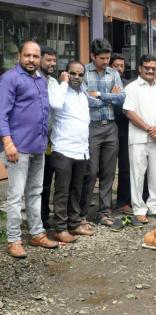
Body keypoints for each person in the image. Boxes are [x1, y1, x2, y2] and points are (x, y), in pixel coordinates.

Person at [0, 41, 58, 258]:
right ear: (20, 57)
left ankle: (36, 233)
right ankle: (13, 240)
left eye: (35, 56)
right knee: (15, 196)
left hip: (38, 147)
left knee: (35, 192)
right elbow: (1, 113)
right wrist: (7, 142)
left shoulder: (41, 80)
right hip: (17, 148)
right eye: (28, 55)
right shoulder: (9, 79)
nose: (31, 60)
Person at [123, 54, 156, 225]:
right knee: (137, 175)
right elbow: (129, 112)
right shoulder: (131, 88)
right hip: (138, 138)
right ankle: (139, 209)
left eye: (154, 68)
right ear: (140, 68)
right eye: (147, 68)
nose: (151, 71)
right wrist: (149, 129)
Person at [80, 38, 125, 227]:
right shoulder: (83, 72)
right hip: (92, 127)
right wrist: (109, 97)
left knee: (108, 171)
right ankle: (81, 213)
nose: (106, 61)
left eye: (107, 58)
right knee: (90, 171)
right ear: (92, 56)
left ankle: (104, 212)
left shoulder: (113, 73)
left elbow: (122, 98)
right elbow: (83, 99)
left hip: (110, 127)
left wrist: (99, 95)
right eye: (102, 58)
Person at [49, 61, 94, 243]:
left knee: (76, 189)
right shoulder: (59, 90)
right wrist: (64, 82)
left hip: (81, 149)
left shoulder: (82, 94)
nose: (76, 77)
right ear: (65, 73)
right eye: (72, 73)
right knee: (62, 190)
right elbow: (55, 104)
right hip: (63, 148)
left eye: (80, 74)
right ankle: (60, 228)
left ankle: (74, 224)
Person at [39, 46, 59, 229]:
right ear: (40, 60)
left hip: (52, 141)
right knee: (36, 184)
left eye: (54, 60)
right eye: (48, 60)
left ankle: (44, 218)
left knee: (47, 182)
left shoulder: (54, 82)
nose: (52, 63)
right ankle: (36, 219)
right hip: (34, 141)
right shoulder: (32, 79)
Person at [110, 53, 132, 215]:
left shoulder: (128, 86)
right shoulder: (103, 84)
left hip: (125, 131)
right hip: (107, 131)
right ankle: (105, 204)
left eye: (121, 66)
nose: (119, 69)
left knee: (125, 168)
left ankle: (123, 202)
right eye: (116, 65)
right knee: (107, 170)